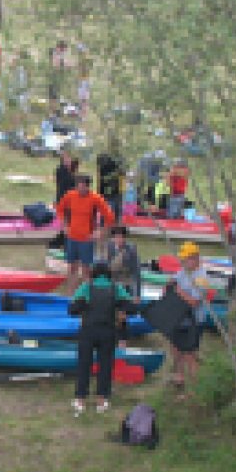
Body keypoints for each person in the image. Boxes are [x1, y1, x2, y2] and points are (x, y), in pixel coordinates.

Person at [68, 263, 138, 414]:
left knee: (84, 364)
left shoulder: (86, 287)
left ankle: (80, 399)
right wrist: (120, 310)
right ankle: (102, 399)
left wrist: (84, 306)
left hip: (88, 331)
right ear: (108, 274)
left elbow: (72, 310)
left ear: (93, 274)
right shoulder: (116, 288)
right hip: (108, 331)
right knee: (105, 365)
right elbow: (131, 308)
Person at [54, 174, 116, 294]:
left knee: (86, 270)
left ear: (88, 186)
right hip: (72, 237)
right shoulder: (70, 195)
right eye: (79, 186)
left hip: (86, 239)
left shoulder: (95, 198)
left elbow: (109, 216)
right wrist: (64, 224)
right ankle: (71, 293)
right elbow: (60, 208)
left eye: (83, 186)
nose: (80, 189)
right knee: (72, 267)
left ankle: (86, 295)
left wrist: (100, 231)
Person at [168, 241, 214, 395]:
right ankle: (179, 377)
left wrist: (178, 291)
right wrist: (170, 284)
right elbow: (174, 280)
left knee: (189, 354)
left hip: (195, 320)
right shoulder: (183, 271)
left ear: (195, 258)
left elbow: (194, 302)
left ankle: (195, 388)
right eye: (182, 259)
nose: (182, 262)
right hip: (180, 318)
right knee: (175, 348)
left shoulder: (201, 278)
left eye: (185, 259)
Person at [103, 224, 142, 301]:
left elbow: (136, 272)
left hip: (126, 282)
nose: (119, 240)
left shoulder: (131, 250)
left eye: (121, 237)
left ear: (125, 238)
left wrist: (137, 295)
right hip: (112, 281)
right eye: (117, 237)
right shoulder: (108, 247)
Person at [50, 150, 79, 249]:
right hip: (63, 200)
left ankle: (63, 241)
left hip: (70, 201)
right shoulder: (61, 170)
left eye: (69, 159)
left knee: (69, 222)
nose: (69, 161)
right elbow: (67, 182)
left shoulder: (71, 171)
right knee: (67, 222)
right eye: (66, 159)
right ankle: (62, 242)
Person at [48, 40, 67, 106]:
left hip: (57, 79)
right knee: (53, 95)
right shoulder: (55, 53)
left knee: (55, 95)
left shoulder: (59, 55)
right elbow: (55, 64)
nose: (64, 52)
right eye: (63, 50)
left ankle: (55, 105)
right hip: (54, 78)